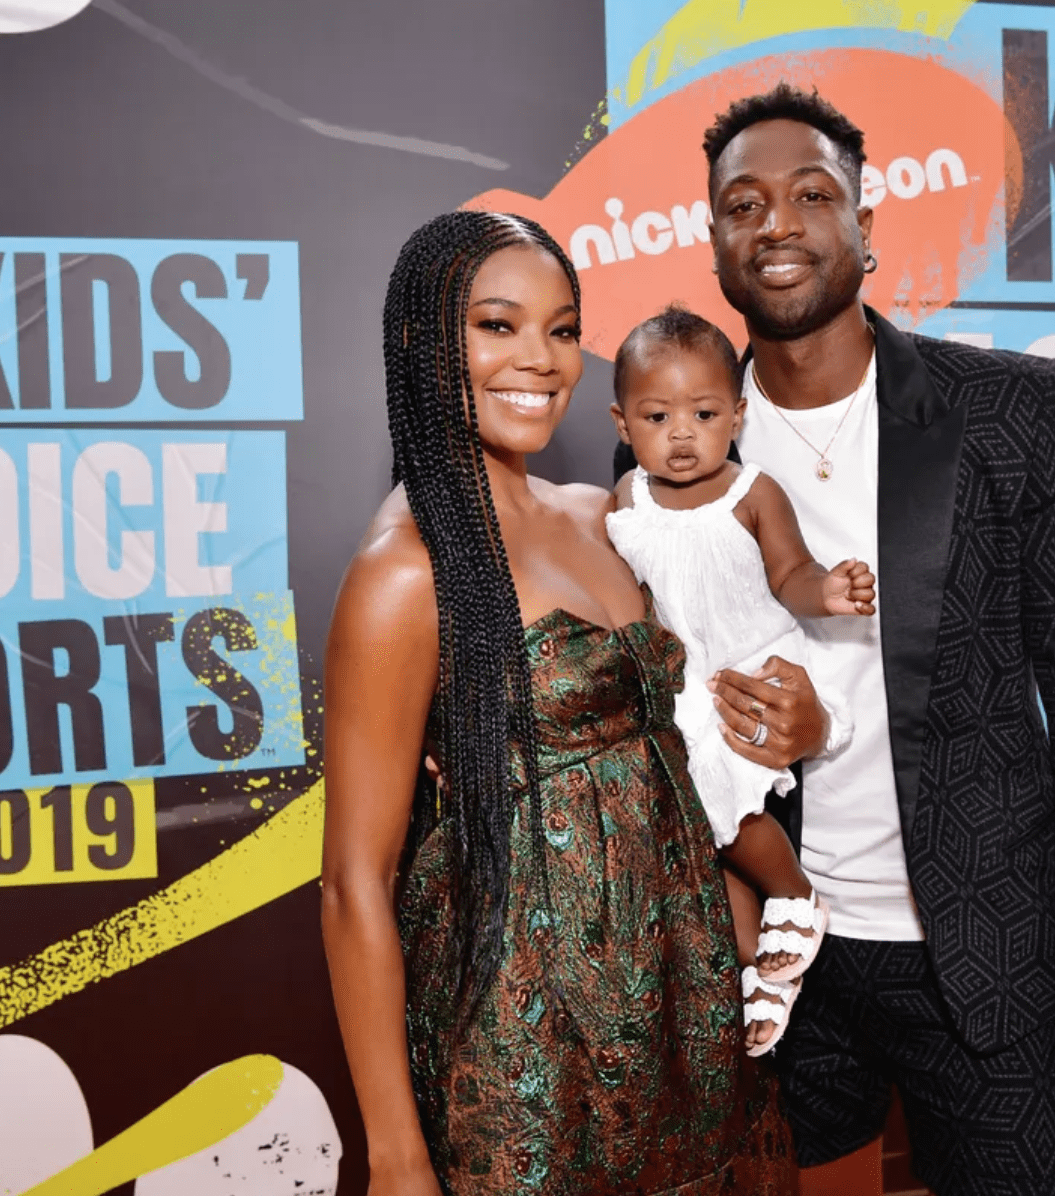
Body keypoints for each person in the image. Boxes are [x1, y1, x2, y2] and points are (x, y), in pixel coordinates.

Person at [614, 84, 1055, 1195]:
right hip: (781, 959)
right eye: (742, 203)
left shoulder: (1011, 408)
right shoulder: (671, 439)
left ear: (867, 224)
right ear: (712, 239)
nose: (776, 223)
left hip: (989, 958)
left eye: (812, 195)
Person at [321, 210, 795, 1195]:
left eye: (563, 327)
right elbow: (351, 884)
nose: (539, 359)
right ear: (422, 341)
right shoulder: (406, 571)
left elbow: (686, 723)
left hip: (684, 990)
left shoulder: (603, 510)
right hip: (522, 1033)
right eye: (497, 325)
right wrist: (397, 1154)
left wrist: (789, 742)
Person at [604, 304, 877, 1056]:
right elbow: (621, 597)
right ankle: (760, 969)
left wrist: (828, 592)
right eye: (659, 415)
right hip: (680, 681)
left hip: (751, 670)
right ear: (623, 424)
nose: (683, 433)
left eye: (704, 412)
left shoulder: (752, 491)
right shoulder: (627, 502)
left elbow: (790, 572)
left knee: (719, 782)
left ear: (738, 415)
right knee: (685, 822)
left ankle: (794, 892)